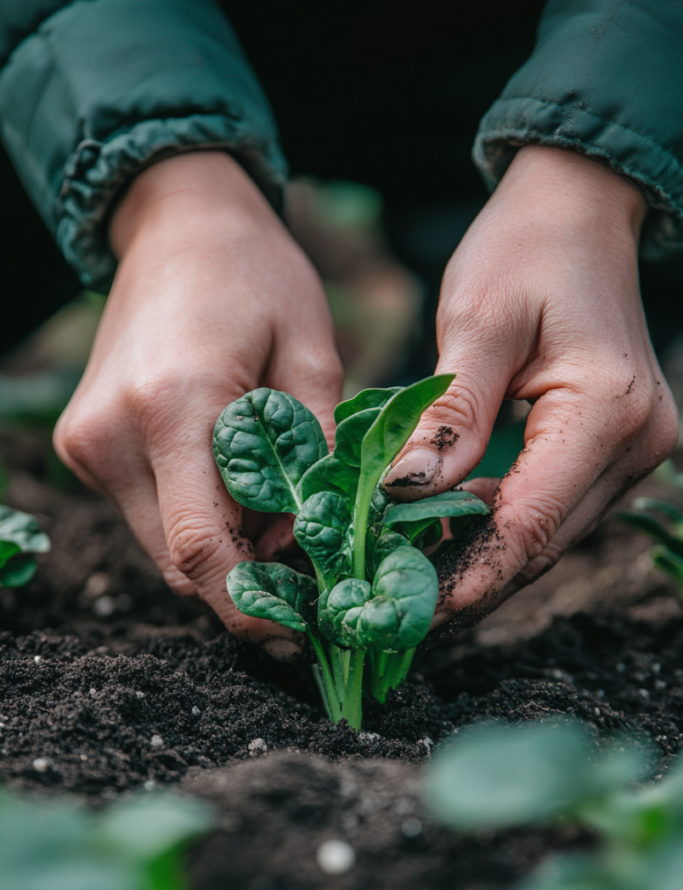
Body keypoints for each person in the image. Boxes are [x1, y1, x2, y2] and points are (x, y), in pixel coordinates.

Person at [0, 0, 681, 657]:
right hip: (148, 46)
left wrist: (591, 175)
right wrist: (166, 195)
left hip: (526, 53)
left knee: (506, 463)